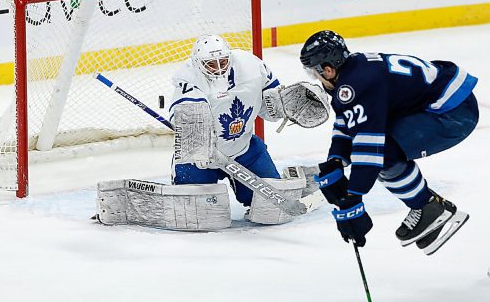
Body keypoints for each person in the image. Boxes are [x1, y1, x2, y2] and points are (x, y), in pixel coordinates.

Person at [299, 30, 479, 255]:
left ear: (328, 68)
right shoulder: (353, 72)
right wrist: (336, 160)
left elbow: (370, 150)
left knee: (384, 155)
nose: (316, 78)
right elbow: (348, 122)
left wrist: (354, 196)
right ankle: (429, 205)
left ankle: (428, 207)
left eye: (314, 72)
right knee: (380, 150)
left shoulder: (354, 85)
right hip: (445, 101)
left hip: (453, 113)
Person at [168, 34, 283, 208]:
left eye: (222, 62)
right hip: (199, 160)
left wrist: (285, 105)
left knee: (269, 206)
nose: (219, 69)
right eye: (211, 64)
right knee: (194, 212)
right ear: (199, 63)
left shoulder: (251, 67)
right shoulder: (189, 80)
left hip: (244, 150)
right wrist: (195, 144)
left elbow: (271, 109)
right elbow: (182, 120)